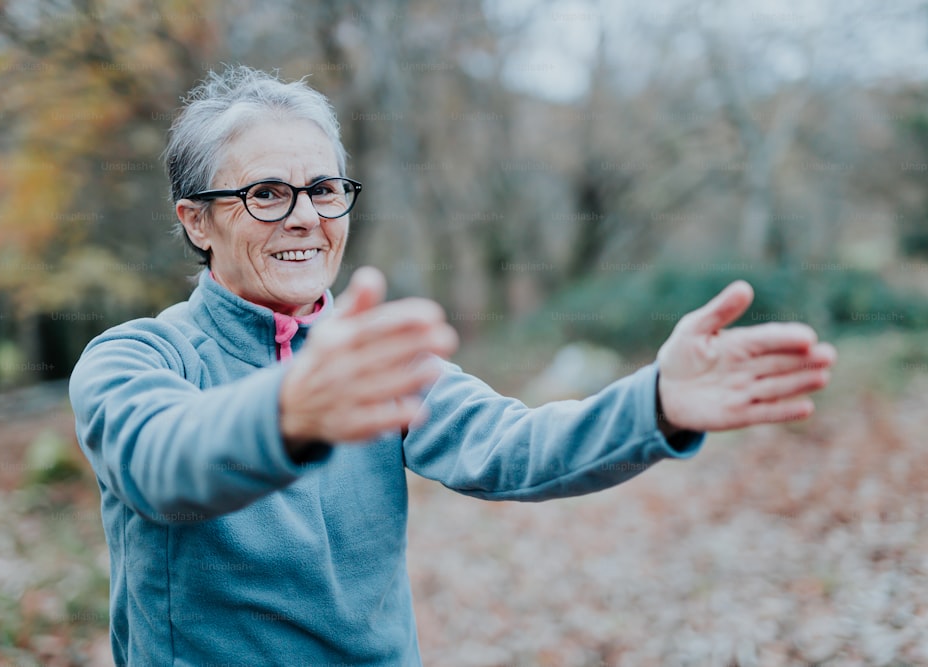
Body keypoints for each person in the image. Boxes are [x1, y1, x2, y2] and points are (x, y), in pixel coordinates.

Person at [68, 66, 837, 665]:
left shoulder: (381, 359)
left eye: (325, 190)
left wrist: (659, 402)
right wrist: (288, 412)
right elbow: (162, 467)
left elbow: (516, 446)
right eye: (266, 193)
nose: (305, 216)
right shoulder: (135, 357)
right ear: (196, 219)